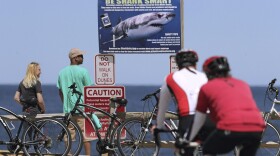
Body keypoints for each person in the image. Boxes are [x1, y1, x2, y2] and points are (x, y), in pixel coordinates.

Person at [188, 56, 265, 156]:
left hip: (230, 127)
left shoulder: (207, 87)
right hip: (257, 128)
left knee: (208, 149)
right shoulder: (243, 84)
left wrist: (188, 140)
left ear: (208, 73)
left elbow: (199, 119)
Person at [154, 50, 214, 155]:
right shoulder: (205, 77)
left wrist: (159, 126)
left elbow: (162, 106)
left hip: (189, 119)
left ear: (178, 64)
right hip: (210, 119)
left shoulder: (171, 78)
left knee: (182, 150)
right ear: (195, 64)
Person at [57, 48, 93, 155]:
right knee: (85, 135)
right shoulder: (83, 71)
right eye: (81, 56)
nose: (83, 58)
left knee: (68, 134)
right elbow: (89, 90)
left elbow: (60, 92)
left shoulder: (62, 72)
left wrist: (65, 103)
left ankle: (69, 154)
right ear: (75, 58)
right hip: (82, 108)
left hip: (68, 110)